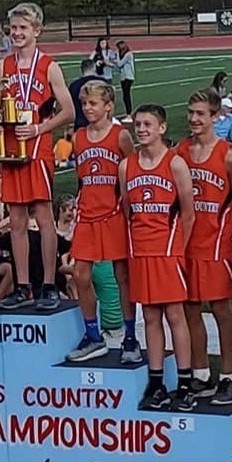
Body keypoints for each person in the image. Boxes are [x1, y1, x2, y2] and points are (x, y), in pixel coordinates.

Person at [0, 2, 75, 311]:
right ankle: (23, 286)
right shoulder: (3, 66)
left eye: (23, 28)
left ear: (36, 31)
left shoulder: (49, 65)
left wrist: (39, 128)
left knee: (44, 217)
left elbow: (69, 111)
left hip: (37, 150)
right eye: (14, 28)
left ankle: (49, 284)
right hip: (11, 151)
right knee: (18, 221)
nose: (17, 33)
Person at [121, 104, 194, 410]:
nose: (141, 129)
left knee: (175, 315)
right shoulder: (127, 166)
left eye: (148, 124)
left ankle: (185, 382)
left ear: (162, 128)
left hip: (167, 252)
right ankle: (156, 381)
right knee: (150, 317)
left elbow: (188, 214)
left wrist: (176, 249)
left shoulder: (175, 164)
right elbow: (127, 210)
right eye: (137, 124)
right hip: (141, 251)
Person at [177, 89, 232, 407]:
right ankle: (201, 374)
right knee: (190, 309)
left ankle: (228, 376)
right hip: (187, 243)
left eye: (201, 113)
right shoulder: (181, 151)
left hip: (217, 244)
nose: (194, 118)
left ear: (215, 117)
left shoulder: (228, 155)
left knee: (220, 310)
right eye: (191, 112)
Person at [65, 80, 140, 364]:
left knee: (122, 277)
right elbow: (81, 177)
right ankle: (93, 334)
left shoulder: (120, 136)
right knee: (81, 276)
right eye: (84, 103)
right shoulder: (78, 137)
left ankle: (129, 336)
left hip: (113, 216)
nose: (87, 108)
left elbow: (132, 172)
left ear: (108, 106)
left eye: (93, 103)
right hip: (87, 215)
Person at [68, 59, 104, 130]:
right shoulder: (102, 82)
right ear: (94, 67)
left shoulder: (74, 85)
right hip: (99, 124)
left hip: (80, 123)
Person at [115, 40, 135, 122]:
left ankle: (129, 115)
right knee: (125, 96)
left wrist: (116, 56)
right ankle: (128, 114)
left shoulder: (128, 54)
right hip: (123, 77)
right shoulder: (123, 55)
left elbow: (119, 64)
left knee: (126, 96)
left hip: (128, 77)